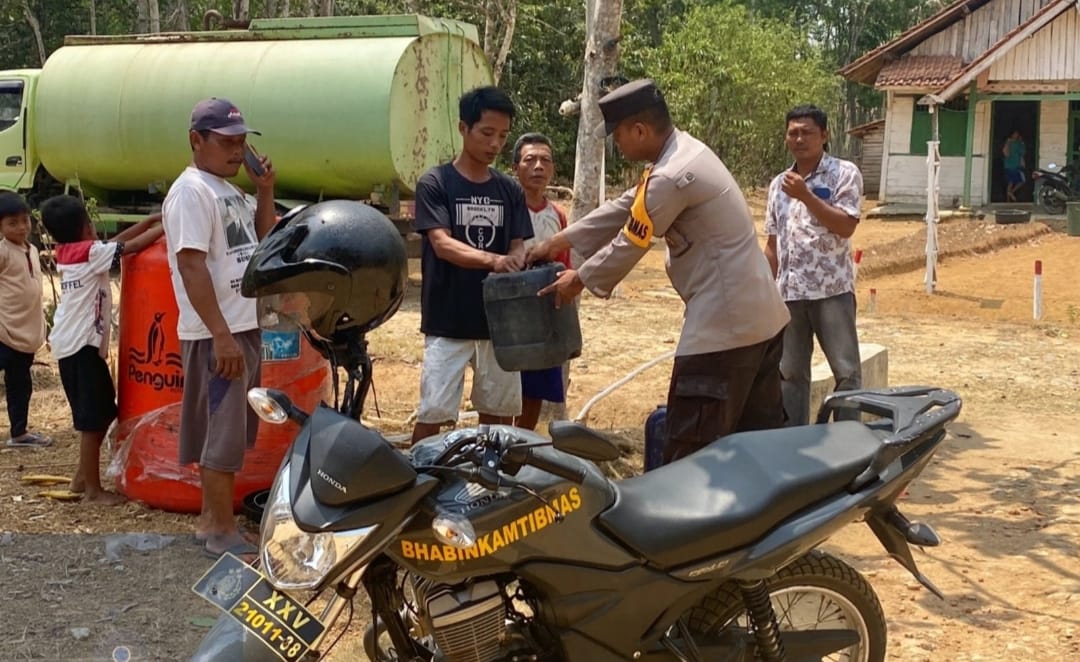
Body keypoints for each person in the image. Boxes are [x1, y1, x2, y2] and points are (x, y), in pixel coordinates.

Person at [527, 79, 789, 464]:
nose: (617, 145)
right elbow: (626, 205)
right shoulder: (682, 154)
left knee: (692, 452)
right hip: (761, 323)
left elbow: (632, 240)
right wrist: (556, 242)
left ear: (639, 130)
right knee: (754, 450)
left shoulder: (671, 175)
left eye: (618, 136)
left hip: (723, 330)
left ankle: (692, 524)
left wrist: (578, 280)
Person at [162, 98, 276, 559]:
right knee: (222, 432)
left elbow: (264, 240)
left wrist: (264, 190)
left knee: (233, 429)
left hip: (241, 324)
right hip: (218, 331)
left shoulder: (228, 190)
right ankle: (218, 528)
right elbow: (191, 267)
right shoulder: (192, 192)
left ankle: (216, 521)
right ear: (197, 141)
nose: (237, 151)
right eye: (227, 142)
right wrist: (222, 335)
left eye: (242, 142)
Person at [409, 87, 534, 445]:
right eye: (487, 133)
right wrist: (497, 261)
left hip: (499, 325)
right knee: (433, 414)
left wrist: (517, 258)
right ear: (463, 128)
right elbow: (442, 244)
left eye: (503, 136)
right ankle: (419, 483)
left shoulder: (510, 190)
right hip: (448, 321)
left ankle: (490, 488)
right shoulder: (436, 183)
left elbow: (518, 245)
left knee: (497, 418)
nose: (495, 144)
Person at [39, 195, 163, 504]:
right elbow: (128, 248)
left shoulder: (70, 251)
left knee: (103, 412)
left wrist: (148, 221)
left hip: (74, 345)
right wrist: (167, 226)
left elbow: (116, 244)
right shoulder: (91, 253)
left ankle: (83, 477)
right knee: (92, 420)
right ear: (87, 226)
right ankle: (92, 491)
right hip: (80, 346)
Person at [764, 104, 864, 427]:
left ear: (824, 135)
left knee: (846, 371)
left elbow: (846, 226)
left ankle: (848, 442)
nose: (799, 138)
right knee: (790, 374)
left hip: (831, 291)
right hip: (789, 295)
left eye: (807, 132)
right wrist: (763, 291)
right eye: (793, 132)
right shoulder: (778, 185)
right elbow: (772, 245)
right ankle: (794, 444)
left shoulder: (844, 174)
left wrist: (806, 195)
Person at [511, 132, 572, 430]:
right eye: (530, 160)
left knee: (535, 386)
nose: (538, 167)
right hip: (512, 311)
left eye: (545, 160)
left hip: (544, 311)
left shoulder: (557, 215)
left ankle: (520, 447)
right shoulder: (506, 209)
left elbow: (565, 265)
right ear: (515, 168)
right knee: (506, 385)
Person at [0, 192, 51, 448]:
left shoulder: (32, 249)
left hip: (25, 332)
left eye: (25, 221)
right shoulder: (2, 252)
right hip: (4, 331)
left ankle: (19, 433)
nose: (21, 227)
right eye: (12, 223)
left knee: (20, 384)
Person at [1003, 130, 1026, 202]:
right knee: (1012, 181)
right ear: (1012, 135)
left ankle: (1010, 193)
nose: (1016, 135)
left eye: (1017, 134)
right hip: (1010, 165)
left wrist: (1022, 143)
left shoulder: (1019, 143)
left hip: (1015, 165)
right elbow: (1006, 153)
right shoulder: (1009, 142)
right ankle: (1009, 198)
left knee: (1017, 181)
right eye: (1015, 134)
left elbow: (1023, 152)